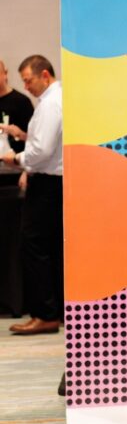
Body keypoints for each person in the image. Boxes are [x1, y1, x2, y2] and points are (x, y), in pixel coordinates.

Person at [2, 56, 63, 336]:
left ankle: (45, 314)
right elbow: (41, 145)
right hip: (50, 182)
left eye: (29, 80)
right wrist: (24, 138)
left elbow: (41, 154)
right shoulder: (51, 101)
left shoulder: (51, 103)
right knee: (45, 248)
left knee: (35, 248)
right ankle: (50, 311)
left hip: (48, 184)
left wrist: (14, 157)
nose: (25, 86)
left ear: (45, 75)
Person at [0, 58, 34, 154]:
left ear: (5, 73)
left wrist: (19, 134)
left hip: (15, 162)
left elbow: (33, 139)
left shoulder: (22, 102)